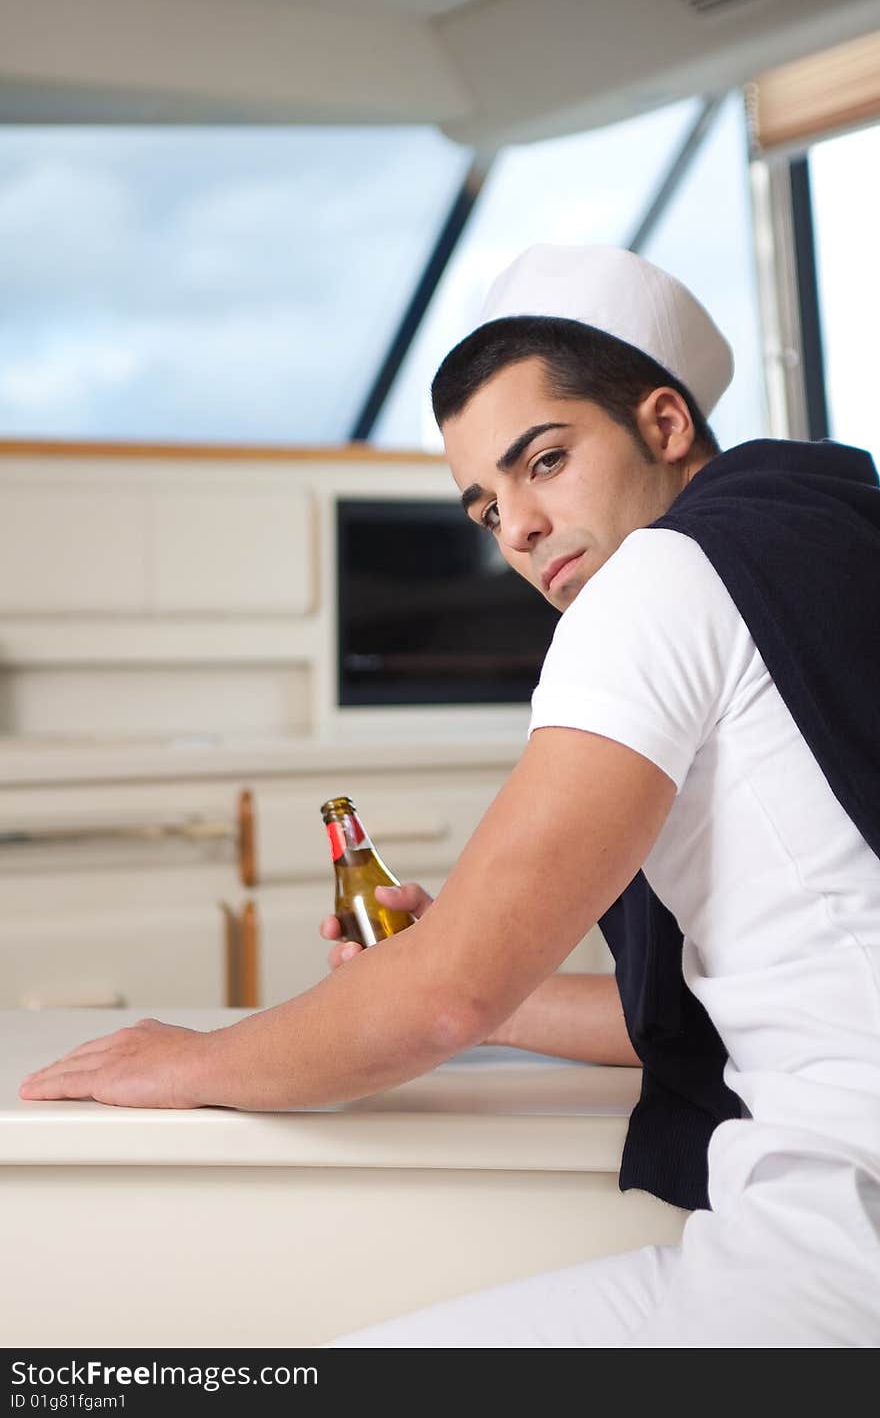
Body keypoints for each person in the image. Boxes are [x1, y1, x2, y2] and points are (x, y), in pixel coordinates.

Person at [19, 246, 880, 1348]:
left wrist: (190, 1057)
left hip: (833, 1255)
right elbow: (786, 963)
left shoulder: (658, 584)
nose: (515, 527)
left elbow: (444, 1000)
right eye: (485, 505)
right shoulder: (829, 531)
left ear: (665, 423)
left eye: (547, 460)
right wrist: (495, 981)